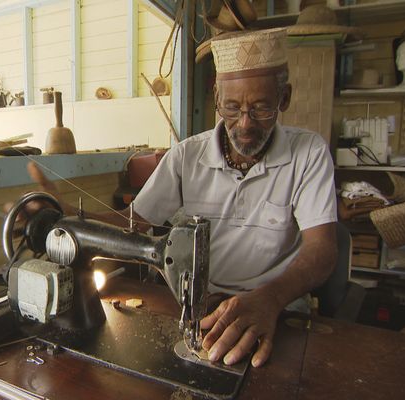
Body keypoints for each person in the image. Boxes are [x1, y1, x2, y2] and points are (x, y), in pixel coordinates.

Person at [27, 27, 338, 368]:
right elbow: (133, 223)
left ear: (285, 98)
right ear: (216, 97)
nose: (245, 124)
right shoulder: (186, 157)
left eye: (261, 108)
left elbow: (321, 251)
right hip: (203, 307)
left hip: (277, 308)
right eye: (232, 108)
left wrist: (270, 299)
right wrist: (67, 214)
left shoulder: (309, 152)